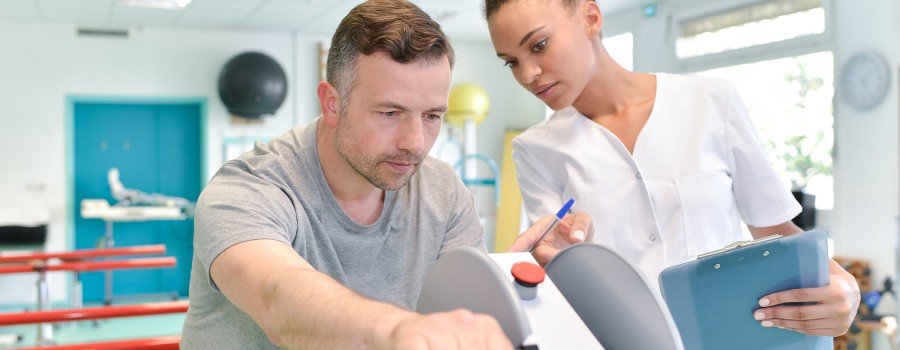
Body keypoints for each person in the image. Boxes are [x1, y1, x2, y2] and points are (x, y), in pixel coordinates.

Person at [180, 0, 589, 348]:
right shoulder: (245, 190)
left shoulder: (443, 192)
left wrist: (514, 280)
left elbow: (461, 311)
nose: (415, 142)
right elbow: (277, 297)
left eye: (431, 116)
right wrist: (398, 330)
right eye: (390, 113)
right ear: (332, 104)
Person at [486, 0, 859, 337]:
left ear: (591, 17)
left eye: (538, 45)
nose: (527, 74)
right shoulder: (535, 150)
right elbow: (557, 267)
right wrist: (563, 261)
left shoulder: (712, 102)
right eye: (511, 62)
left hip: (733, 333)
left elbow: (776, 231)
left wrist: (846, 288)